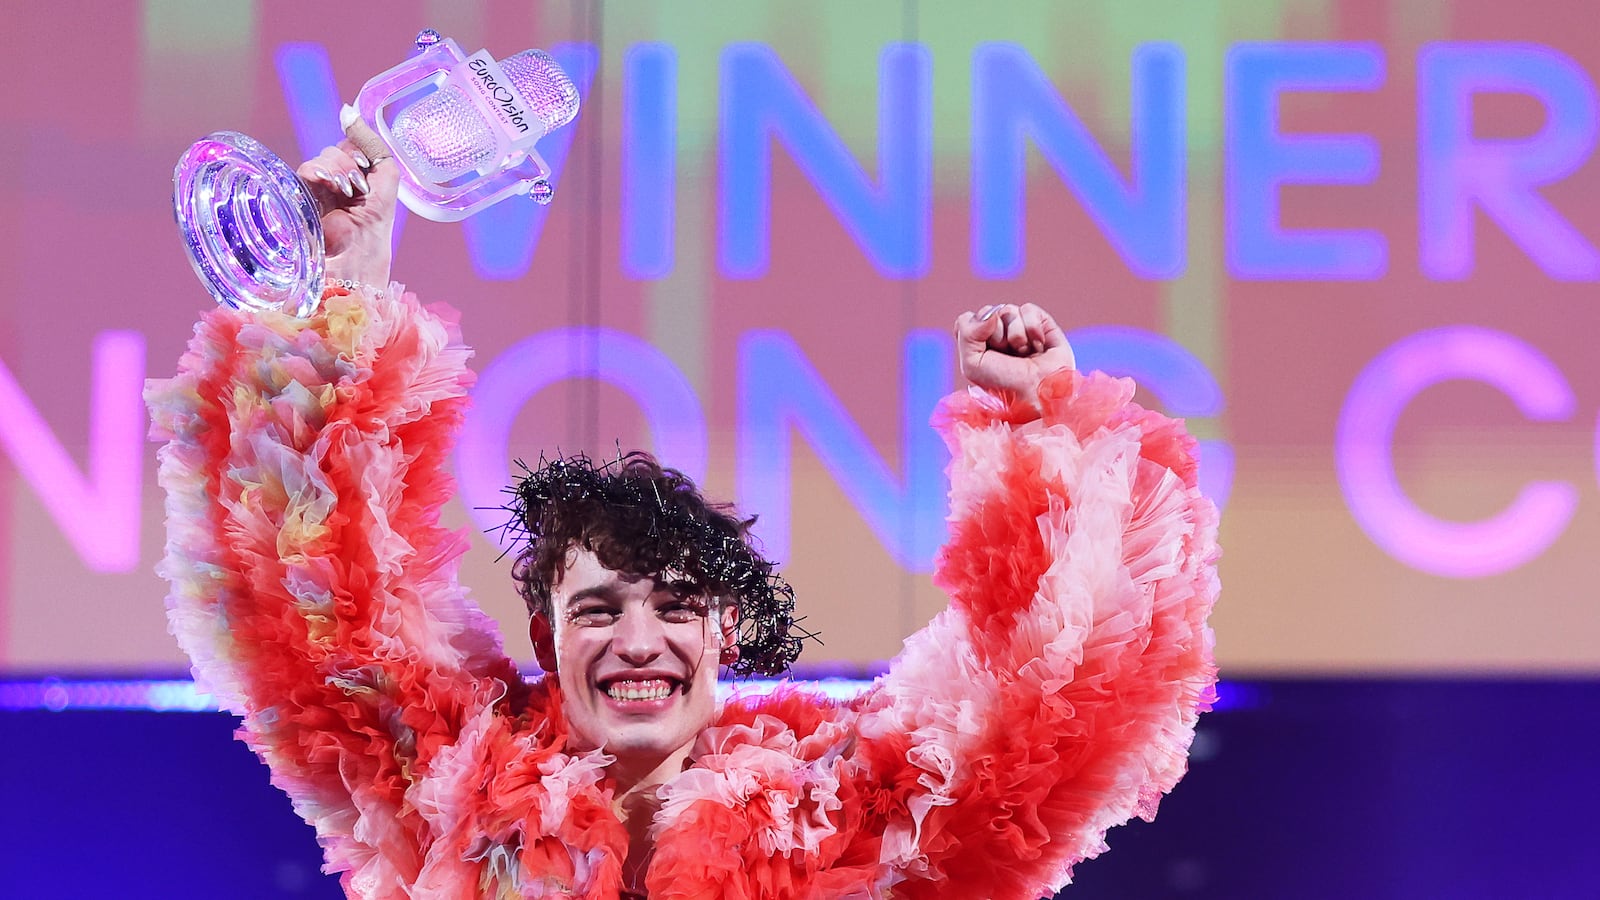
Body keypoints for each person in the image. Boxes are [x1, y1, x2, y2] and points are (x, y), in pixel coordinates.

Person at [147, 122, 1218, 899]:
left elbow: (1044, 700)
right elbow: (316, 608)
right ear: (544, 637)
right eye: (599, 609)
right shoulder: (448, 782)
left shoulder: (835, 810)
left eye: (674, 605)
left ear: (727, 630)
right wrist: (345, 288)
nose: (638, 642)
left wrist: (1031, 430)